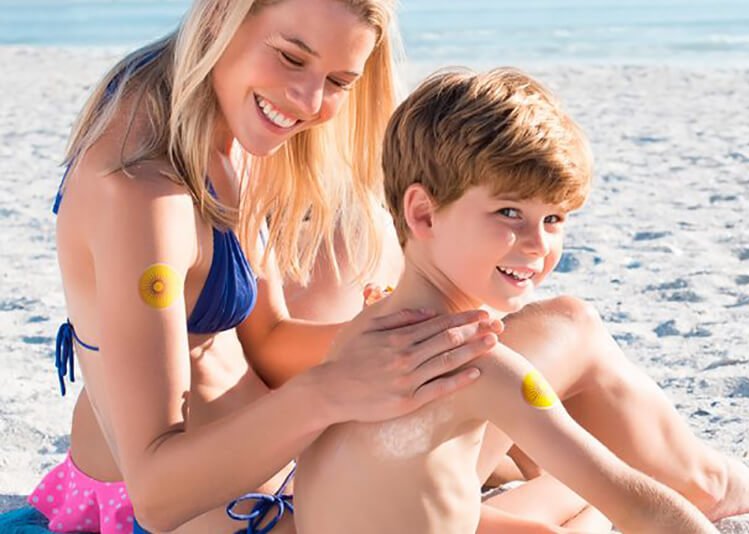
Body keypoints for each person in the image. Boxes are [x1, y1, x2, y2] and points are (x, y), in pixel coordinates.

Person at [22, 0, 502, 532]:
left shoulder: (215, 124)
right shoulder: (143, 197)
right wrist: (332, 389)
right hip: (211, 506)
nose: (309, 101)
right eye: (292, 58)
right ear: (221, 16)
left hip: (265, 467)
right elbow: (156, 497)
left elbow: (268, 339)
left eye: (339, 81)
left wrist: (393, 334)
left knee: (551, 338)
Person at [292, 66, 720, 534]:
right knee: (611, 492)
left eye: (554, 218)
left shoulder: (365, 332)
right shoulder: (486, 368)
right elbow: (641, 509)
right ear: (423, 214)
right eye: (510, 212)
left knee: (576, 495)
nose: (538, 244)